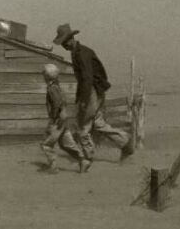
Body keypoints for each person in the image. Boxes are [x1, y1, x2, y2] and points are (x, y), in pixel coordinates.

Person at [52, 24, 133, 166]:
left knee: (83, 126)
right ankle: (125, 143)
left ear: (71, 39)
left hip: (92, 92)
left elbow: (87, 78)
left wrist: (83, 101)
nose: (63, 46)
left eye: (64, 42)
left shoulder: (82, 53)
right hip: (94, 91)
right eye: (62, 43)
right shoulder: (77, 52)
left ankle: (87, 157)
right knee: (99, 124)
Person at [40, 64, 89, 173]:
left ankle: (53, 167)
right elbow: (62, 101)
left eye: (44, 74)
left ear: (47, 76)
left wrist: (53, 116)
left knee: (46, 144)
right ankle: (83, 160)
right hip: (63, 119)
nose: (43, 76)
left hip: (57, 120)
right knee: (66, 143)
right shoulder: (58, 86)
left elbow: (58, 103)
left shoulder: (52, 88)